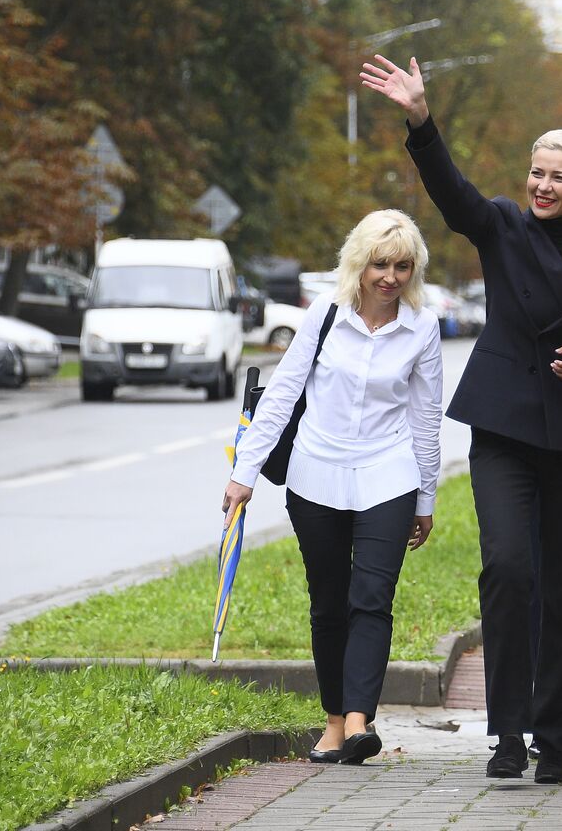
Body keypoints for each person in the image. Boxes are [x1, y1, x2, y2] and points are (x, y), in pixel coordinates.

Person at [359, 54, 562, 785]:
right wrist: (420, 119)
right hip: (506, 431)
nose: (541, 185)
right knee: (509, 572)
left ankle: (556, 733)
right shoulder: (503, 226)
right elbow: (454, 198)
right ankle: (507, 731)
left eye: (558, 176)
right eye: (536, 172)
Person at [224, 209, 443, 766]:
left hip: (387, 476)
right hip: (315, 474)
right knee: (328, 603)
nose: (389, 277)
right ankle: (332, 720)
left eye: (401, 266)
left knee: (372, 599)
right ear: (359, 264)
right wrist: (243, 474)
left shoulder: (423, 326)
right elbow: (279, 398)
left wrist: (425, 500)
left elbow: (425, 418)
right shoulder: (324, 316)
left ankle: (357, 722)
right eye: (379, 264)